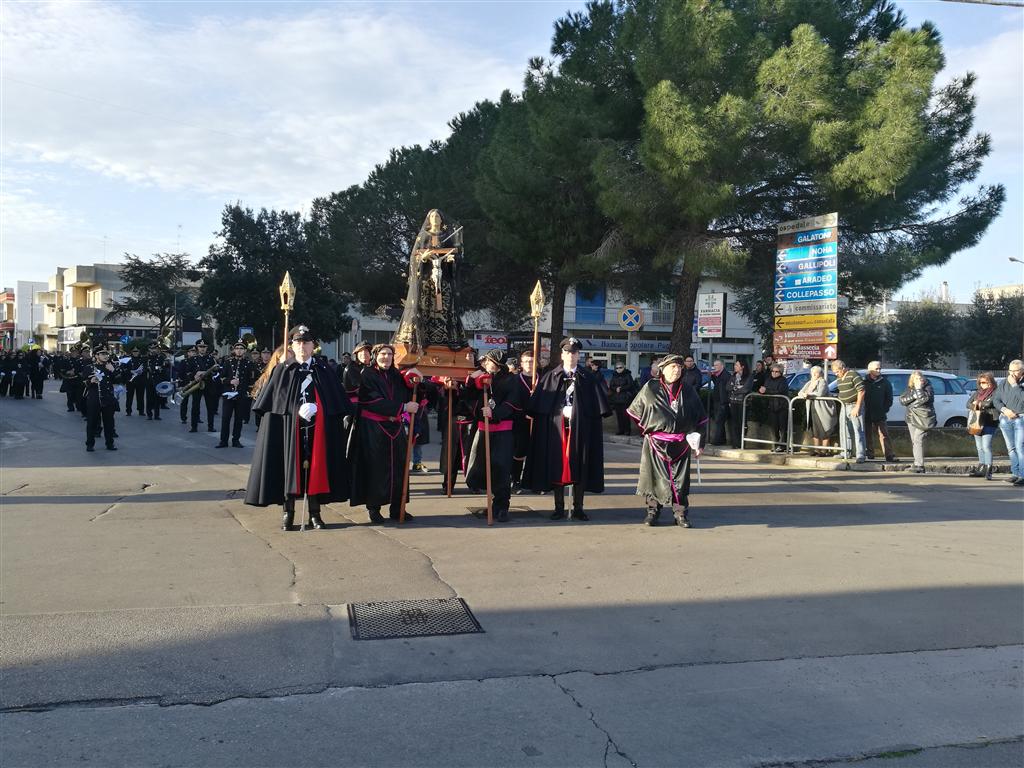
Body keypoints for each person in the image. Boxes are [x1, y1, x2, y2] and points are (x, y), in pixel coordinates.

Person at [244, 326, 352, 530]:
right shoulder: (282, 369)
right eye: (298, 343)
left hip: (318, 429)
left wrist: (319, 407)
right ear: (292, 346)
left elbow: (335, 400)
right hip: (289, 429)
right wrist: (295, 409)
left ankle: (315, 514)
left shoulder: (323, 369)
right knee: (289, 469)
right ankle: (288, 513)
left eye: (306, 342)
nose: (302, 346)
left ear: (313, 346)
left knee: (316, 468)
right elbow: (275, 403)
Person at [525, 337, 611, 521]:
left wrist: (579, 411)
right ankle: (559, 507)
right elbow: (540, 405)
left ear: (578, 355)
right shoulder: (550, 376)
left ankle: (578, 508)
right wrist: (559, 411)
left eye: (574, 353)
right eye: (567, 352)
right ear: (562, 355)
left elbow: (598, 406)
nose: (571, 355)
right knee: (557, 466)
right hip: (557, 430)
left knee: (580, 466)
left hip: (580, 430)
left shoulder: (588, 378)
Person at [627, 353, 707, 528]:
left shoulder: (688, 390)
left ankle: (680, 514)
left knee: (680, 481)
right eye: (672, 367)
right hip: (655, 443)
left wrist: (700, 444)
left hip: (681, 444)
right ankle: (653, 512)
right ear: (662, 369)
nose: (676, 370)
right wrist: (647, 430)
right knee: (654, 479)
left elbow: (701, 419)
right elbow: (634, 411)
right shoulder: (651, 387)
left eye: (679, 367)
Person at [349, 343, 420, 523]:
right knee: (376, 469)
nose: (386, 357)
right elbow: (370, 400)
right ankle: (374, 509)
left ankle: (397, 508)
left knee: (399, 467)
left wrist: (416, 382)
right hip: (373, 428)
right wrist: (403, 407)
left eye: (389, 354)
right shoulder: (367, 374)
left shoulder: (396, 374)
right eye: (382, 354)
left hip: (396, 427)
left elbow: (410, 393)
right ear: (375, 356)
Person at [463, 349, 526, 522]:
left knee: (501, 469)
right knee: (484, 468)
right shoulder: (481, 378)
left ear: (496, 364)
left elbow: (513, 403)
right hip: (483, 430)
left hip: (503, 431)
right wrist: (470, 382)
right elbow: (468, 398)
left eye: (488, 361)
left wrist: (495, 413)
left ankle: (502, 506)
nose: (485, 363)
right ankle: (493, 504)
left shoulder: (511, 380)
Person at [394, 209, 468, 350]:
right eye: (432, 216)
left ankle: (447, 338)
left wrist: (452, 260)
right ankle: (421, 338)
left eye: (437, 216)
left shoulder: (447, 237)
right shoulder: (423, 237)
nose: (435, 218)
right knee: (424, 307)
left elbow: (456, 256)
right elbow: (414, 259)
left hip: (443, 280)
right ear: (428, 219)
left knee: (444, 307)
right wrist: (422, 258)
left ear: (441, 219)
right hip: (426, 280)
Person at [216, 340, 256, 448]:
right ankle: (223, 441)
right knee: (226, 418)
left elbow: (251, 381)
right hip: (228, 394)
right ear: (234, 350)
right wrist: (230, 381)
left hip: (241, 395)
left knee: (239, 419)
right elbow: (221, 378)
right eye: (237, 348)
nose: (239, 351)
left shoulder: (249, 364)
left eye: (241, 349)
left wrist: (247, 390)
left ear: (245, 351)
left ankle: (236, 440)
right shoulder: (228, 362)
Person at [83, 346, 122, 452]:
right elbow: (84, 382)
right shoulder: (90, 367)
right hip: (95, 398)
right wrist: (90, 381)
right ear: (96, 356)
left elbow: (119, 379)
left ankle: (110, 443)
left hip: (108, 398)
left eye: (106, 354)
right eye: (102, 354)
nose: (105, 356)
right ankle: (90, 444)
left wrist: (113, 370)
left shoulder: (110, 366)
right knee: (92, 422)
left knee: (109, 422)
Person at [992, 359, 1024, 486]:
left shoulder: (1018, 383)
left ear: (1022, 371)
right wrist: (1005, 410)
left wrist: (1015, 385)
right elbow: (996, 400)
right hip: (1006, 419)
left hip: (1021, 418)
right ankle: (1015, 473)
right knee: (1011, 448)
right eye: (1010, 370)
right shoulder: (1004, 383)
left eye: (1015, 371)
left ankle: (1022, 475)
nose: (1011, 373)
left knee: (1020, 447)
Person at [899, 370, 936, 474]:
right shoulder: (910, 389)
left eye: (920, 378)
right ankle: (916, 463)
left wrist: (919, 389)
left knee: (918, 440)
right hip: (911, 418)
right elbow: (902, 401)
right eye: (916, 379)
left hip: (923, 419)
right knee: (914, 441)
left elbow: (924, 399)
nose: (919, 380)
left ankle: (919, 465)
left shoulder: (928, 388)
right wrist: (913, 396)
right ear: (912, 380)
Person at [795, 365, 837, 455]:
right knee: (814, 430)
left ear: (820, 374)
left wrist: (809, 395)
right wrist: (804, 395)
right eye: (812, 373)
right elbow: (800, 392)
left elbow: (820, 393)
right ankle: (816, 449)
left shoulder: (822, 382)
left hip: (822, 409)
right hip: (812, 408)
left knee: (824, 429)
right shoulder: (810, 383)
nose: (813, 374)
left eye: (816, 373)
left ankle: (824, 450)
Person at [510, 349, 535, 492]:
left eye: (531, 361)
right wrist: (524, 413)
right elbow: (512, 400)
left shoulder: (541, 379)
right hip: (520, 420)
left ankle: (533, 481)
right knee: (519, 451)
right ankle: (515, 479)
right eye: (526, 362)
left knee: (536, 451)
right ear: (521, 363)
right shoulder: (515, 380)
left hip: (537, 420)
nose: (529, 364)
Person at [967, 372, 999, 481]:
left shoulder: (996, 392)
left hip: (990, 421)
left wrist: (979, 403)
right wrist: (977, 404)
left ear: (990, 382)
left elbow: (990, 403)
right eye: (980, 382)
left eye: (984, 382)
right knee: (979, 447)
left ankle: (989, 469)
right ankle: (981, 468)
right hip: (977, 422)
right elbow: (968, 404)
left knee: (986, 446)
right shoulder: (978, 392)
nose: (982, 384)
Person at [832, 359, 866, 463]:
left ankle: (860, 454)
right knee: (844, 430)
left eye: (837, 371)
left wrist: (858, 407)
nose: (836, 374)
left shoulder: (853, 375)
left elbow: (861, 390)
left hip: (854, 405)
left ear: (843, 368)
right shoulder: (839, 378)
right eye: (835, 372)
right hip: (844, 406)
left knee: (858, 430)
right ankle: (846, 452)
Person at [863, 361, 895, 462]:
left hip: (880, 412)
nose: (879, 370)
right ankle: (870, 454)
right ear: (870, 370)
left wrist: (884, 409)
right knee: (867, 434)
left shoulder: (885, 382)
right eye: (876, 369)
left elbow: (889, 398)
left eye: (880, 368)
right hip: (867, 412)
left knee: (884, 434)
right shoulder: (863, 381)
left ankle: (889, 455)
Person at [185, 340, 218, 432]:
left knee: (210, 407)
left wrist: (206, 373)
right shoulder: (192, 359)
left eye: (204, 347)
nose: (202, 349)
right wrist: (194, 375)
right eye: (200, 347)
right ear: (197, 348)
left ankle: (210, 426)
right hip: (197, 384)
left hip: (208, 384)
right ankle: (194, 426)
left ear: (207, 348)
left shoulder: (211, 359)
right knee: (195, 406)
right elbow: (188, 372)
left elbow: (216, 372)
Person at [759, 363, 790, 452]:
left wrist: (766, 390)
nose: (774, 373)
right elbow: (765, 389)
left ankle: (783, 445)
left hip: (782, 406)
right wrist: (762, 390)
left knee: (782, 427)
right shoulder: (768, 379)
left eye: (776, 372)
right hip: (771, 406)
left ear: (780, 372)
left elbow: (779, 391)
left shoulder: (783, 380)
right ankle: (775, 444)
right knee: (773, 427)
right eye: (773, 371)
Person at [727, 361, 753, 448]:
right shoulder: (733, 376)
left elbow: (746, 389)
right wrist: (736, 388)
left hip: (743, 402)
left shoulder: (749, 376)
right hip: (733, 401)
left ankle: (742, 442)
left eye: (737, 365)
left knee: (742, 422)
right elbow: (728, 387)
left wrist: (735, 389)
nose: (735, 366)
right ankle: (735, 443)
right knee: (734, 422)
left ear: (742, 367)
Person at [608, 362, 637, 436]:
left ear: (624, 367)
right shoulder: (614, 375)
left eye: (620, 367)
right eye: (617, 368)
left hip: (625, 398)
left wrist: (621, 388)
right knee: (619, 415)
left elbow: (630, 385)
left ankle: (627, 430)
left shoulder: (628, 375)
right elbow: (611, 385)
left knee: (625, 415)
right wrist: (616, 388)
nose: (619, 369)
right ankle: (621, 430)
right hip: (617, 398)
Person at [708, 359, 731, 446]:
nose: (715, 367)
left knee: (719, 421)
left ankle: (717, 440)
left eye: (717, 365)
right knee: (719, 421)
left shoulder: (725, 375)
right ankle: (722, 440)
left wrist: (724, 402)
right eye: (714, 365)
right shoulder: (718, 375)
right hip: (718, 401)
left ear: (722, 366)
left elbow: (724, 389)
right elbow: (717, 385)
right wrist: (713, 377)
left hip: (722, 402)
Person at [122, 347, 146, 416]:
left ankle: (141, 411)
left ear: (139, 352)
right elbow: (123, 369)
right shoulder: (128, 359)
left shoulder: (143, 359)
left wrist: (142, 371)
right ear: (132, 352)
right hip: (130, 380)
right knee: (129, 397)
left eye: (137, 351)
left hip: (140, 380)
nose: (135, 353)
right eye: (134, 351)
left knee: (140, 397)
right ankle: (128, 411)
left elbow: (146, 367)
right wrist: (130, 371)